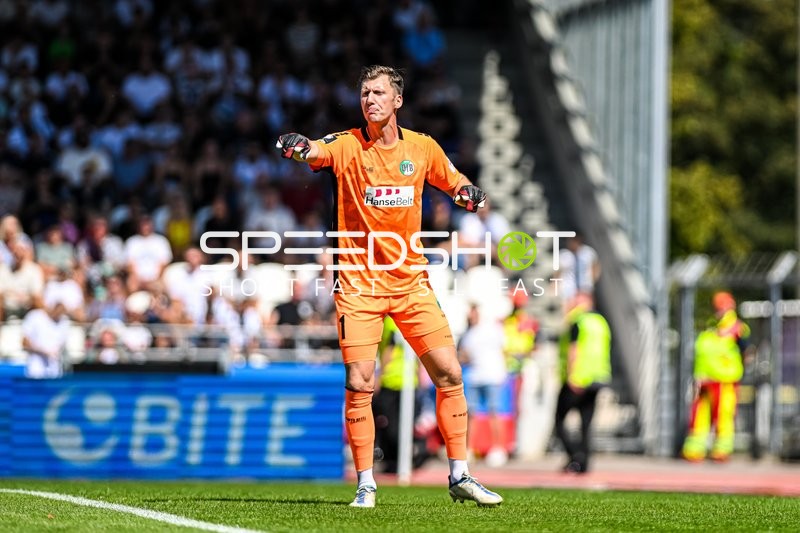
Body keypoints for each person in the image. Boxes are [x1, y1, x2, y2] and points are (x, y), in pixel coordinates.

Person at [276, 65, 501, 508]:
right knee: (361, 382)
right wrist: (299, 148)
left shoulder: (422, 148)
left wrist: (469, 194)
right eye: (364, 93)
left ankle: (460, 475)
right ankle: (365, 482)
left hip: (409, 282)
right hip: (358, 286)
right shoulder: (346, 145)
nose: (369, 99)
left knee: (450, 373)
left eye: (378, 92)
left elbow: (454, 182)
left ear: (397, 100)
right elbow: (315, 152)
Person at [682, 291, 750, 463]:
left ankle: (722, 450)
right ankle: (695, 449)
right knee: (699, 415)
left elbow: (747, 353)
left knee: (723, 415)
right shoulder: (710, 328)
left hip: (725, 380)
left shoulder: (737, 329)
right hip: (704, 380)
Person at [554, 292, 611, 474]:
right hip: (597, 378)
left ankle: (575, 456)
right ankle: (584, 463)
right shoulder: (601, 322)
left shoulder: (578, 321)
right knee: (586, 424)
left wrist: (572, 375)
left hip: (578, 378)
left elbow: (574, 349)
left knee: (559, 420)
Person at [458, 304, 509, 467]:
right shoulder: (469, 333)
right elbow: (464, 355)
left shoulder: (493, 329)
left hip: (491, 376)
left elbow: (502, 350)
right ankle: (469, 449)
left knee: (494, 412)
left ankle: (499, 448)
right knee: (471, 414)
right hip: (474, 377)